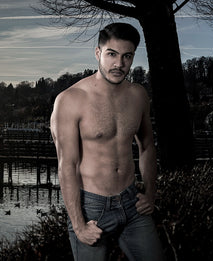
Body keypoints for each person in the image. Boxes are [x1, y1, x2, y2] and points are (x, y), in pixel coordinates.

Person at [50, 22, 163, 260]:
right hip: (92, 207)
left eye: (127, 56)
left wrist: (150, 193)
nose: (119, 64)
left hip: (132, 202)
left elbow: (147, 146)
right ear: (98, 53)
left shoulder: (138, 95)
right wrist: (79, 225)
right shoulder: (70, 100)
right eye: (112, 54)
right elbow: (66, 165)